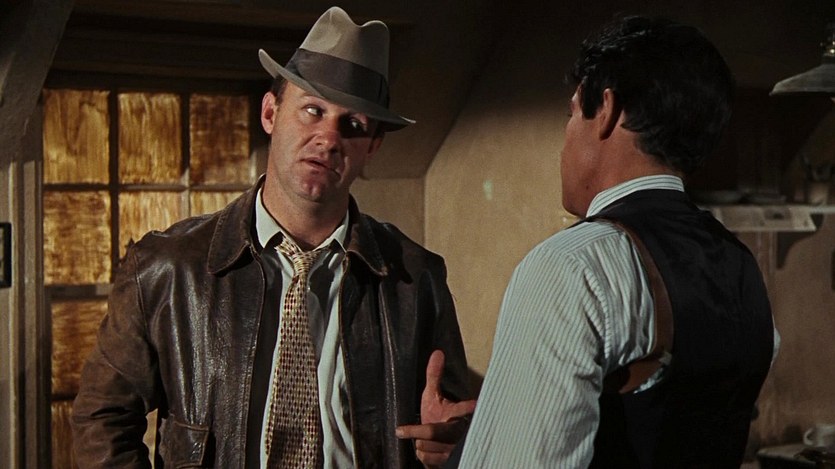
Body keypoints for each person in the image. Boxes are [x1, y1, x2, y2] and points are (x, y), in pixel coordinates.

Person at [71, 6, 475, 468]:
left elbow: (453, 424)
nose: (328, 138)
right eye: (312, 110)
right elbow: (102, 419)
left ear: (372, 148)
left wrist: (453, 445)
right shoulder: (166, 268)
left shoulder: (415, 279)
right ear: (270, 112)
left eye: (353, 125)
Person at [456, 15, 776, 468]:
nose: (564, 142)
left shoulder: (573, 266)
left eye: (571, 114)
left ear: (605, 109)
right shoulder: (742, 267)